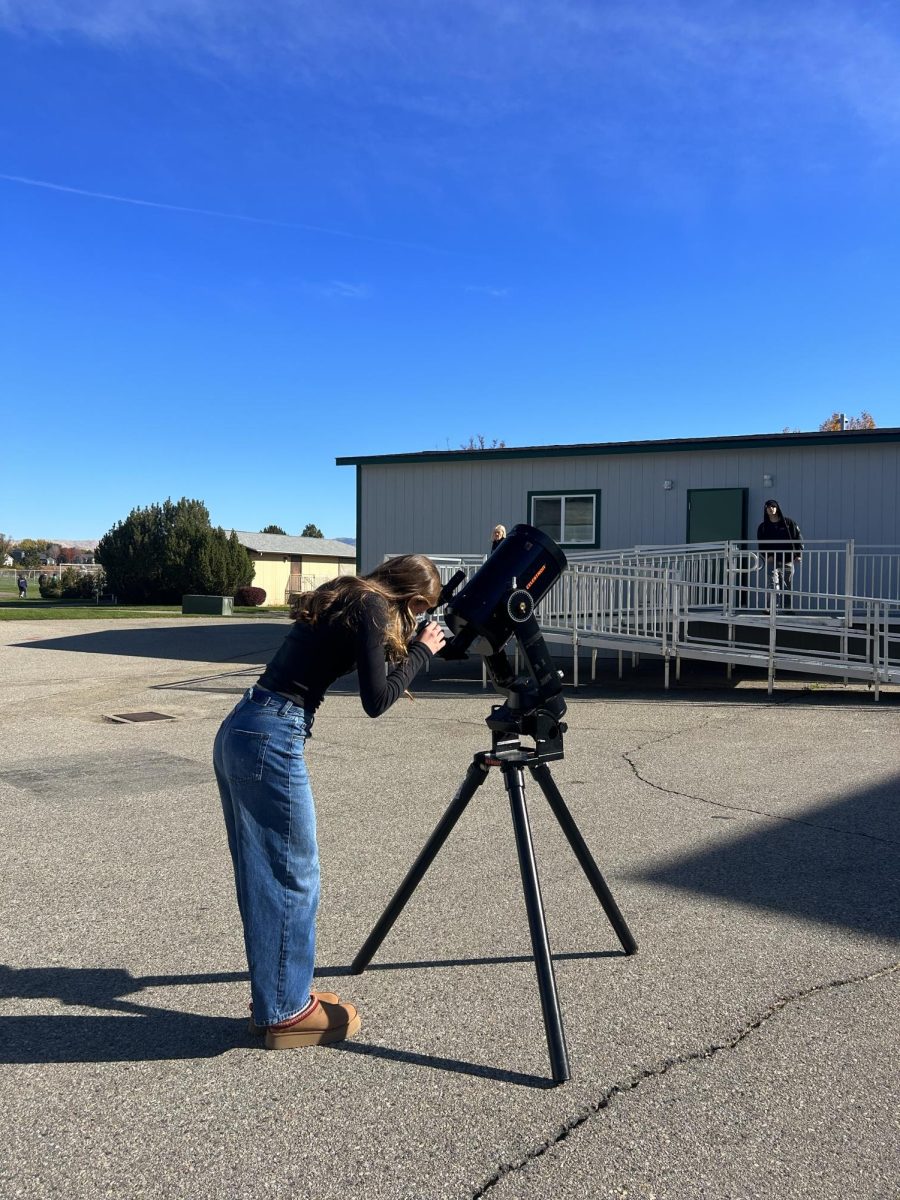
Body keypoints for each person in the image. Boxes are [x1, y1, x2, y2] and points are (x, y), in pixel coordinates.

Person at [213, 555, 446, 1051]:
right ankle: (287, 1011)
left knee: (265, 874)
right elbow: (376, 699)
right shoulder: (373, 607)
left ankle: (279, 996)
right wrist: (423, 652)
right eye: (421, 612)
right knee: (292, 875)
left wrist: (409, 645)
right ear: (417, 601)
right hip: (272, 735)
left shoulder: (352, 594)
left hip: (247, 723)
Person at [757, 499, 803, 608]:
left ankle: (787, 609)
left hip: (788, 560)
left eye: (773, 506)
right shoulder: (763, 527)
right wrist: (767, 556)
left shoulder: (788, 523)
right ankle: (772, 608)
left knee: (787, 585)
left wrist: (798, 555)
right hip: (772, 560)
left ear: (777, 508)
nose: (771, 509)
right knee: (772, 584)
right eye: (768, 507)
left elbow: (798, 538)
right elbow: (761, 544)